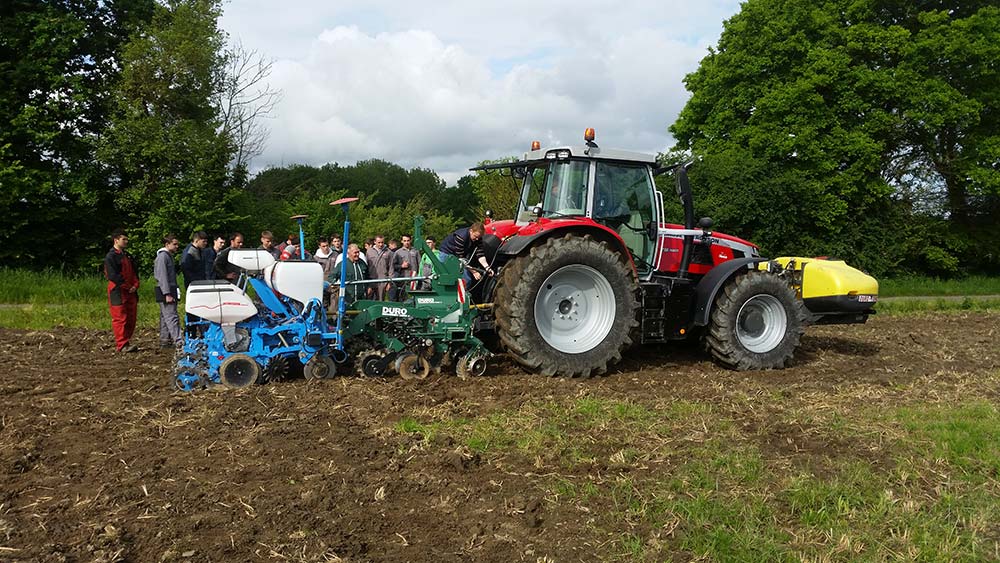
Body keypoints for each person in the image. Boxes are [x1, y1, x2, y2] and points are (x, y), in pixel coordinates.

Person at [104, 229, 140, 353]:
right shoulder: (111, 257)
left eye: (126, 239)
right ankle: (122, 344)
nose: (126, 241)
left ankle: (127, 341)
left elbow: (134, 272)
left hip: (130, 291)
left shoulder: (127, 255)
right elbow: (112, 275)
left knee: (131, 317)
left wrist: (135, 285)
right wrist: (127, 286)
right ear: (116, 240)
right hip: (118, 291)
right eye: (123, 239)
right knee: (120, 318)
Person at [154, 234, 182, 349]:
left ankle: (165, 340)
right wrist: (167, 293)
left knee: (165, 316)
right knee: (171, 316)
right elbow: (162, 277)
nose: (177, 246)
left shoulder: (167, 256)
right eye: (174, 244)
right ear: (167, 244)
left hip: (169, 290)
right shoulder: (162, 257)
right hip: (166, 290)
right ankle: (179, 341)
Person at [390, 234, 420, 300]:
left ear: (410, 241)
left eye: (408, 240)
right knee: (403, 297)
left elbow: (420, 264)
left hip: (414, 278)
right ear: (402, 241)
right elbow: (393, 266)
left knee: (414, 297)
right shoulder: (398, 252)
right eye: (405, 241)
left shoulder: (415, 251)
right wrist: (401, 266)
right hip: (403, 279)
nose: (406, 242)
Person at [365, 234, 392, 300]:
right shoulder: (369, 251)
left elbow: (391, 268)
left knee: (380, 300)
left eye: (382, 242)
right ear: (375, 242)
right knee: (369, 299)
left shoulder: (388, 252)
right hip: (371, 280)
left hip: (383, 280)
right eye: (379, 242)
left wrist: (389, 282)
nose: (380, 244)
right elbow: (366, 267)